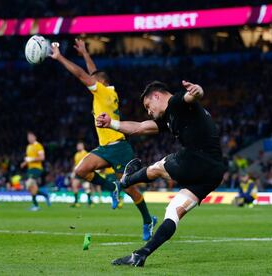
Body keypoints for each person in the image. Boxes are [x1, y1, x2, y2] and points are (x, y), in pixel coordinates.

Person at [96, 80, 227, 267]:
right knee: (173, 211)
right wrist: (111, 124)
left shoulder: (176, 103)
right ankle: (140, 255)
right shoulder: (169, 118)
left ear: (157, 96)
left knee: (159, 166)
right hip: (213, 173)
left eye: (148, 106)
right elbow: (139, 128)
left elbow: (192, 96)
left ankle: (125, 181)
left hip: (198, 159)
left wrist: (198, 90)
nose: (148, 111)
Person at [50, 39, 156, 240]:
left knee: (131, 190)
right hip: (105, 147)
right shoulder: (107, 91)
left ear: (100, 83)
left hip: (120, 147)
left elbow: (83, 75)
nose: (91, 83)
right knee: (80, 170)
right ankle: (112, 187)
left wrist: (59, 57)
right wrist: (84, 54)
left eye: (94, 82)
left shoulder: (103, 91)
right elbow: (93, 73)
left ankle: (148, 220)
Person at [20, 131, 50, 211]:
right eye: (28, 137)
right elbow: (29, 158)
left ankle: (36, 205)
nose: (29, 138)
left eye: (30, 137)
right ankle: (45, 195)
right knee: (31, 188)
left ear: (34, 137)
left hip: (37, 168)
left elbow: (42, 157)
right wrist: (24, 163)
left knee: (29, 183)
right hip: (30, 169)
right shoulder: (28, 147)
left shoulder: (38, 146)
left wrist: (31, 159)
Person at [71, 141, 92, 207]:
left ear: (83, 146)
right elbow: (75, 164)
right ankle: (76, 202)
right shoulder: (76, 154)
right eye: (77, 146)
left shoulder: (85, 153)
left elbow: (88, 163)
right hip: (77, 172)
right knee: (74, 185)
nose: (78, 147)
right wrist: (73, 172)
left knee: (86, 187)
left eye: (79, 146)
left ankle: (89, 202)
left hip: (84, 172)